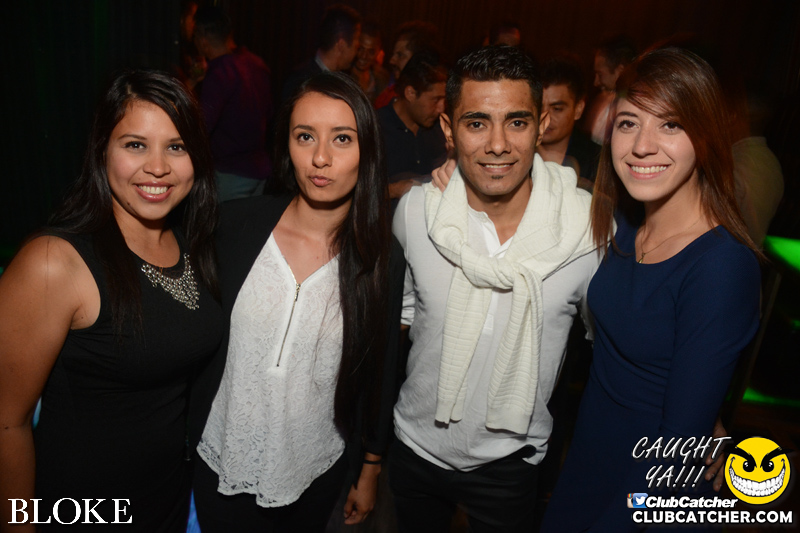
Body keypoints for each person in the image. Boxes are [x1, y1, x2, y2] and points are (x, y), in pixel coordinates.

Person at [541, 47, 761, 532]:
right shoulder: (623, 225)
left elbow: (677, 452)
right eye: (628, 123)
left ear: (705, 135)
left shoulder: (720, 267)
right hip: (588, 463)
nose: (642, 145)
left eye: (671, 124)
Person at [0, 70, 224, 531]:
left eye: (176, 147)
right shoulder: (54, 262)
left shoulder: (192, 241)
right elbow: (6, 423)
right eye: (135, 145)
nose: (157, 167)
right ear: (102, 150)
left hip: (166, 501)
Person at [389, 45, 599, 533]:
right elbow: (401, 319)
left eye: (517, 122)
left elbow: (609, 343)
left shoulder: (587, 230)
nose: (498, 144)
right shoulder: (418, 213)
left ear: (542, 124)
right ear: (449, 130)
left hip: (511, 462)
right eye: (477, 123)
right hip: (415, 447)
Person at [189, 72, 405, 532]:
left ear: (367, 150)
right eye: (305, 136)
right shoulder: (233, 226)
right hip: (217, 456)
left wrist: (370, 468)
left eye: (342, 139)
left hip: (312, 470)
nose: (320, 158)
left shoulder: (380, 258)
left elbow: (381, 371)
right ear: (286, 144)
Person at [193, 5, 274, 201]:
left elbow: (201, 126)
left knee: (224, 221)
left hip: (230, 173)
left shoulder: (219, 74)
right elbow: (271, 114)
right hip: (261, 169)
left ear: (202, 39)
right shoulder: (257, 63)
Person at [377, 52, 447, 201]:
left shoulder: (440, 129)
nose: (441, 108)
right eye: (435, 100)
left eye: (444, 100)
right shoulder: (375, 129)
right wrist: (393, 190)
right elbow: (354, 191)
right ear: (410, 93)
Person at [538, 55, 600, 190]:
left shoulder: (598, 163)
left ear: (578, 109)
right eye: (538, 107)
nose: (544, 117)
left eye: (557, 109)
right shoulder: (517, 154)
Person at [281, 4, 361, 103]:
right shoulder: (301, 82)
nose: (357, 52)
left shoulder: (340, 80)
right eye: (356, 46)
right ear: (341, 45)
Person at [374, 21, 441, 109]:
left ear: (420, 58)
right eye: (393, 54)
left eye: (400, 55)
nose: (391, 61)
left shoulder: (438, 103)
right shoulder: (386, 99)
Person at [584, 36, 637, 144]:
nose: (596, 82)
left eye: (600, 74)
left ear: (620, 71)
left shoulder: (633, 110)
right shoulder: (603, 101)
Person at [349, 21, 390, 104]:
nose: (364, 56)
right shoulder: (343, 75)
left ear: (379, 52)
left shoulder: (381, 79)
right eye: (360, 48)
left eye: (371, 52)